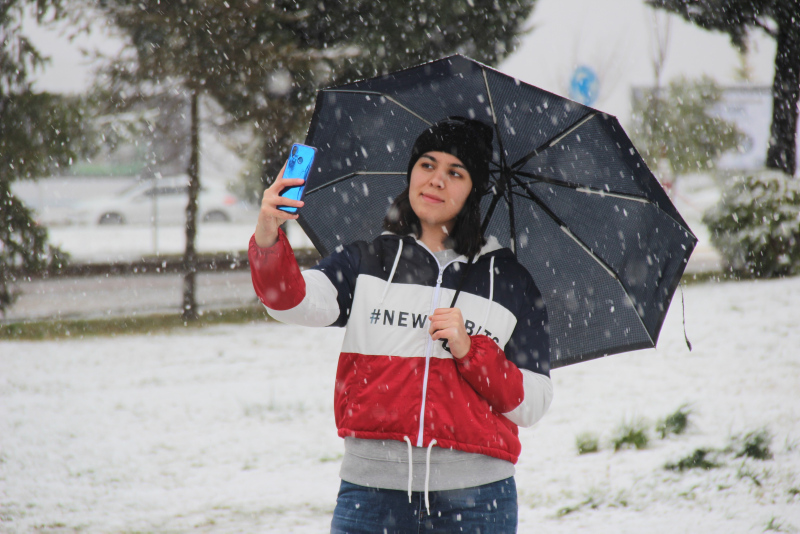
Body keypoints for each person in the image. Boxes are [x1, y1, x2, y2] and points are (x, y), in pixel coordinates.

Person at [249, 117, 553, 533]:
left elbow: (532, 404)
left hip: (479, 501)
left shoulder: (512, 282)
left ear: (475, 189)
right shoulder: (368, 260)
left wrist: (471, 351)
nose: (436, 181)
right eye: (427, 165)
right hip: (371, 498)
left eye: (455, 172)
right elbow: (291, 301)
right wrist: (268, 236)